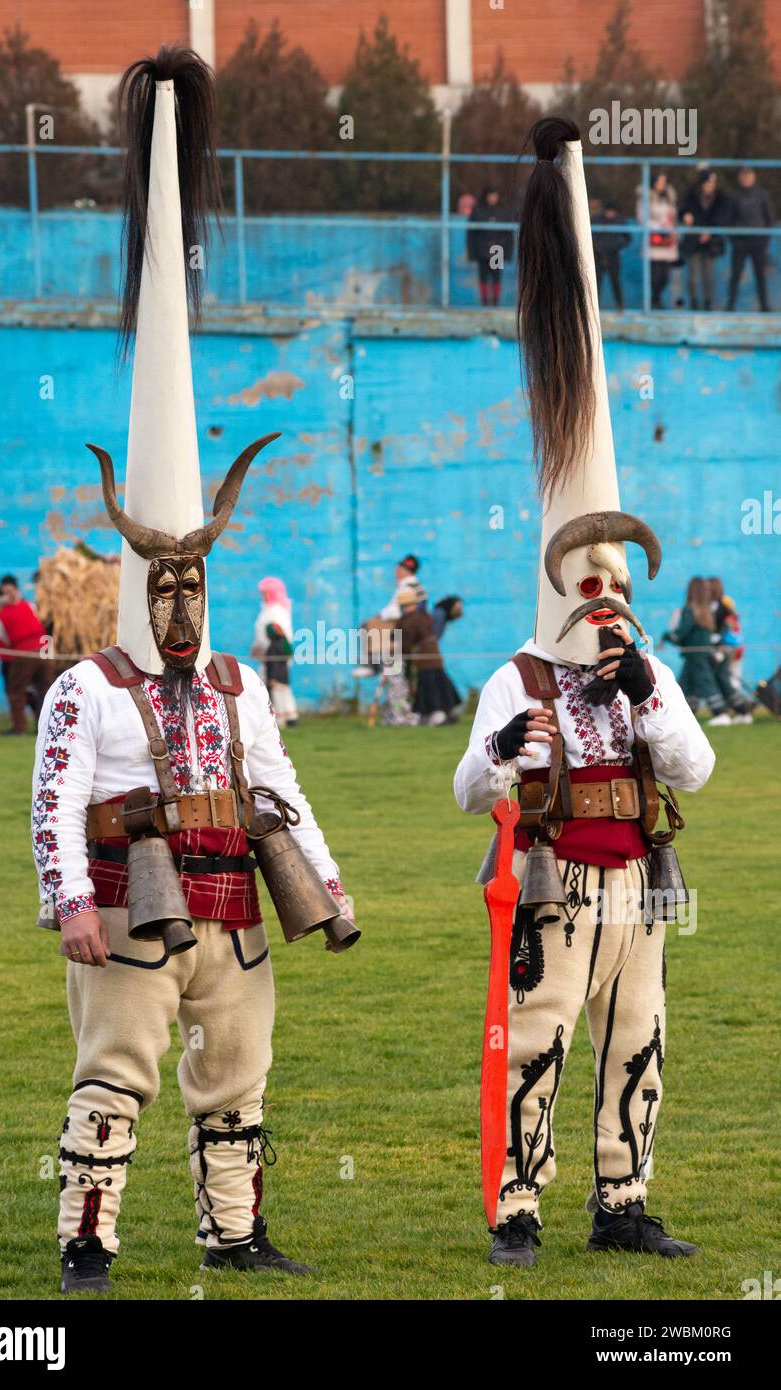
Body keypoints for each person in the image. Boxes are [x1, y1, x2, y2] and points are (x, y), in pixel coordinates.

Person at [31, 47, 355, 1296]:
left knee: (240, 1074)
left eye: (191, 586)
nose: (176, 605)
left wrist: (322, 885)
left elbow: (281, 780)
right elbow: (55, 801)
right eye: (156, 584)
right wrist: (68, 897)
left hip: (235, 902)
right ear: (133, 584)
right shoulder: (87, 689)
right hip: (128, 900)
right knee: (116, 1072)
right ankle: (88, 1238)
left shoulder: (236, 686)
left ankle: (235, 1231)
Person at [455, 117, 715, 1268]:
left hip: (639, 886)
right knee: (540, 1040)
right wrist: (509, 746)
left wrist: (651, 683)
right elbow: (469, 788)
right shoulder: (514, 672)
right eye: (590, 582)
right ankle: (519, 1203)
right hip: (556, 881)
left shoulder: (644, 672)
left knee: (639, 1038)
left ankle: (624, 1201)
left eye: (618, 583)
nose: (604, 601)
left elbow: (696, 768)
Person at [662, 578, 752, 725]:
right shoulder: (706, 611)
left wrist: (666, 636)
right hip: (704, 653)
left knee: (706, 684)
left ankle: (721, 714)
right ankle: (686, 715)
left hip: (696, 655)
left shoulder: (690, 610)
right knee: (686, 685)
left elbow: (681, 634)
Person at [0, 576, 51, 733]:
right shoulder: (30, 606)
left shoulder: (0, 616)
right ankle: (45, 726)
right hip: (44, 653)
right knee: (44, 689)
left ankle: (20, 727)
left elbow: (2, 637)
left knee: (16, 691)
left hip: (24, 654)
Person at [395, 586, 461, 725]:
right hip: (434, 655)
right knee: (440, 683)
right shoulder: (425, 616)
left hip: (424, 658)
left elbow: (405, 643)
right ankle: (449, 711)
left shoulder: (410, 620)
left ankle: (437, 715)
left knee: (430, 686)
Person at [680, 170, 731, 311]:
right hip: (693, 242)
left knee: (708, 275)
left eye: (712, 183)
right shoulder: (692, 196)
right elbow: (682, 211)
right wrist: (685, 216)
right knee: (693, 275)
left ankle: (708, 302)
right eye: (708, 183)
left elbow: (723, 217)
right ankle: (693, 302)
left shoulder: (721, 198)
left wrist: (710, 232)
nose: (710, 186)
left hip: (711, 243)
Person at [251, 576, 298, 727]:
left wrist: (266, 648)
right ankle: (285, 715)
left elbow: (277, 634)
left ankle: (283, 717)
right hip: (268, 653)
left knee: (277, 684)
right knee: (274, 685)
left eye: (265, 592)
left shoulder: (277, 611)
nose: (263, 595)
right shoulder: (268, 610)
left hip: (276, 653)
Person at [727, 167, 774, 312]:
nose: (746, 179)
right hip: (740, 242)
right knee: (735, 275)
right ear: (740, 178)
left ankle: (764, 306)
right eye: (744, 176)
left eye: (749, 176)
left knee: (760, 275)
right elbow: (729, 218)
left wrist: (765, 239)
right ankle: (730, 306)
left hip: (758, 242)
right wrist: (733, 238)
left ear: (753, 177)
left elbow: (770, 218)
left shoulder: (762, 195)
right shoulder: (734, 196)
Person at [636, 172, 679, 309]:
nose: (662, 185)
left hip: (667, 242)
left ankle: (656, 297)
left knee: (665, 276)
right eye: (659, 181)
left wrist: (671, 228)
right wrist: (659, 226)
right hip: (653, 240)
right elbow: (642, 218)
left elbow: (673, 216)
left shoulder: (669, 198)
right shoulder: (645, 197)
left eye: (664, 182)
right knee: (654, 274)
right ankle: (654, 301)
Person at [467, 187, 514, 307]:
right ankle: (484, 303)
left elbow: (508, 234)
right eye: (490, 195)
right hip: (482, 250)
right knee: (483, 277)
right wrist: (472, 253)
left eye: (495, 195)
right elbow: (471, 233)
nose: (492, 198)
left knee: (496, 277)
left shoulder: (503, 211)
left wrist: (508, 253)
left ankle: (495, 302)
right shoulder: (478, 210)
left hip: (497, 250)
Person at [592, 200, 630, 310]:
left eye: (612, 211)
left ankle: (620, 306)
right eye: (608, 211)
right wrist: (596, 247)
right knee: (597, 282)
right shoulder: (596, 219)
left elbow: (627, 238)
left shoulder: (620, 221)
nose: (610, 214)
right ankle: (595, 307)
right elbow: (589, 236)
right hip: (598, 256)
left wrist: (617, 246)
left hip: (613, 256)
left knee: (615, 282)